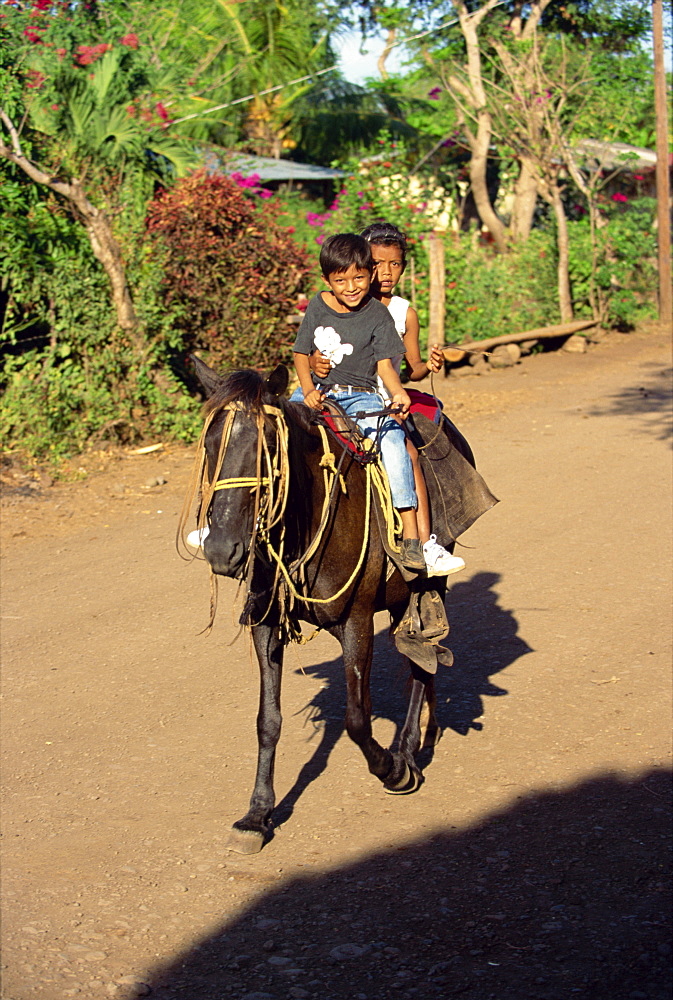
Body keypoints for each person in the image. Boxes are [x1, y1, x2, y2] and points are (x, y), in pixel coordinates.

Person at [309, 222, 464, 577]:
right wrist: (316, 365)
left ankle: (425, 543)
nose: (387, 272)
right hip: (336, 391)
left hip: (383, 397)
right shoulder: (340, 301)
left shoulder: (403, 313)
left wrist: (430, 364)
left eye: (395, 264)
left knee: (407, 451)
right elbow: (318, 351)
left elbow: (413, 369)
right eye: (378, 263)